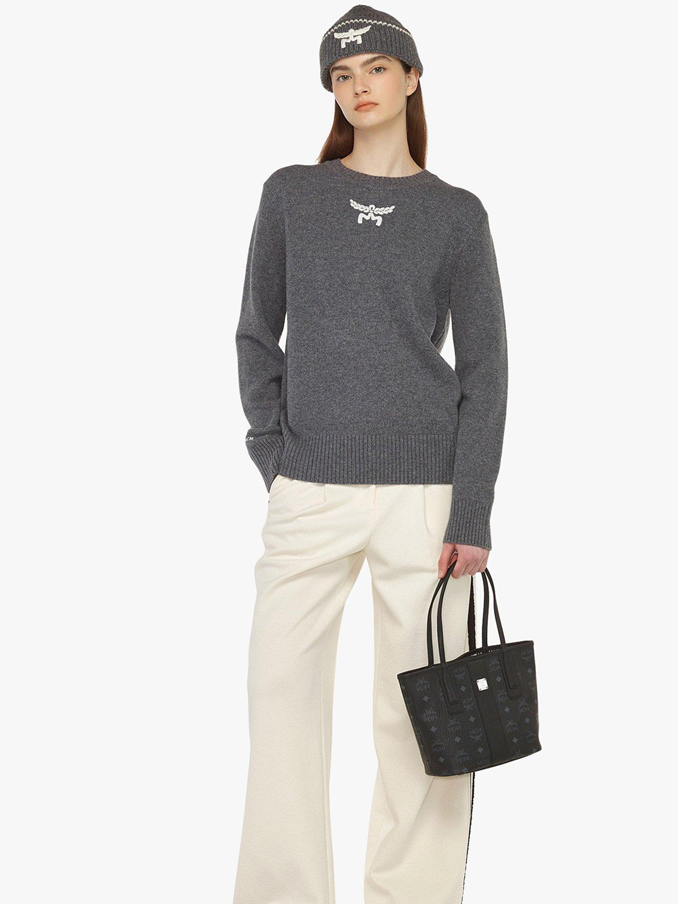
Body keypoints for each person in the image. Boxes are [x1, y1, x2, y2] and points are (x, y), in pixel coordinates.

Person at [232, 6, 508, 903]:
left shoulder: (456, 214)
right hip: (308, 489)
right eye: (343, 76)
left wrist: (472, 508)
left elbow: (487, 370)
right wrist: (274, 456)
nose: (360, 87)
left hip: (427, 497)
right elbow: (256, 334)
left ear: (412, 78)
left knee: (419, 722)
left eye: (377, 69)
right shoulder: (291, 195)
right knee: (281, 705)